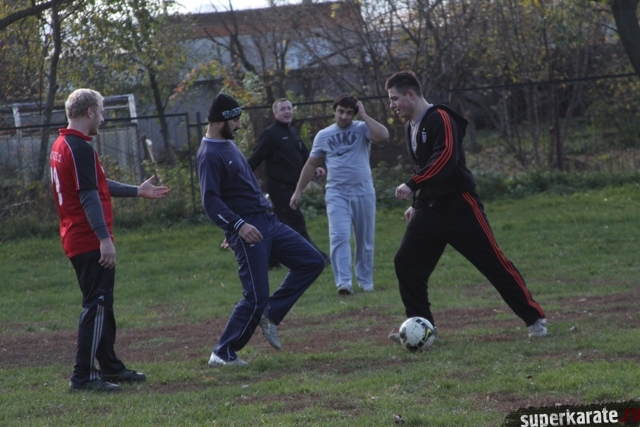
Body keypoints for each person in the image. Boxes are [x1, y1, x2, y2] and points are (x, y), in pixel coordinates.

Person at [384, 71, 547, 345]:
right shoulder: (410, 126)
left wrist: (412, 184)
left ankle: (535, 319)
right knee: (407, 263)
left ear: (410, 94)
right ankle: (421, 327)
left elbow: (444, 158)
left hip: (458, 206)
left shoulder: (440, 117)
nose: (392, 105)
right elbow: (423, 166)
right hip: (428, 209)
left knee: (492, 263)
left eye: (394, 98)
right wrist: (416, 202)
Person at [50, 88, 170, 393]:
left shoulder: (64, 144)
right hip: (87, 238)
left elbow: (97, 184)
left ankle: (110, 366)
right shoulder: (78, 147)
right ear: (89, 112)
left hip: (77, 236)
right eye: (101, 112)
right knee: (97, 305)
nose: (103, 119)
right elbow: (89, 197)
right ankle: (82, 376)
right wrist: (104, 239)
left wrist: (137, 191)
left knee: (104, 304)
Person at [197, 93, 325, 366]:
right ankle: (222, 353)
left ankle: (272, 313)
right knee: (255, 296)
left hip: (268, 222)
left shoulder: (227, 144)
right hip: (249, 230)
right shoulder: (209, 154)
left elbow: (237, 190)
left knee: (312, 260)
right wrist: (237, 227)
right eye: (235, 120)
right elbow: (210, 201)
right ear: (220, 121)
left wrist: (234, 225)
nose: (239, 125)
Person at [291, 94, 389, 295]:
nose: (344, 116)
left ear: (354, 114)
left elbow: (384, 136)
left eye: (349, 113)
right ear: (334, 111)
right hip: (337, 193)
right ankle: (344, 283)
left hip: (363, 192)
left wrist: (364, 115)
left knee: (364, 240)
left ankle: (365, 282)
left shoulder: (362, 128)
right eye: (341, 112)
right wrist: (298, 191)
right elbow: (311, 164)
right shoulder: (324, 135)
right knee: (339, 237)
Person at [247, 98, 329, 267]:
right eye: (283, 109)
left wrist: (317, 167)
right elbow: (256, 158)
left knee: (278, 225)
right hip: (279, 187)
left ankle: (270, 260)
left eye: (289, 108)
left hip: (293, 187)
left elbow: (304, 153)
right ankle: (316, 257)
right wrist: (242, 177)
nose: (287, 112)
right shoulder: (270, 134)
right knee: (296, 221)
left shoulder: (292, 131)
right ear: (275, 114)